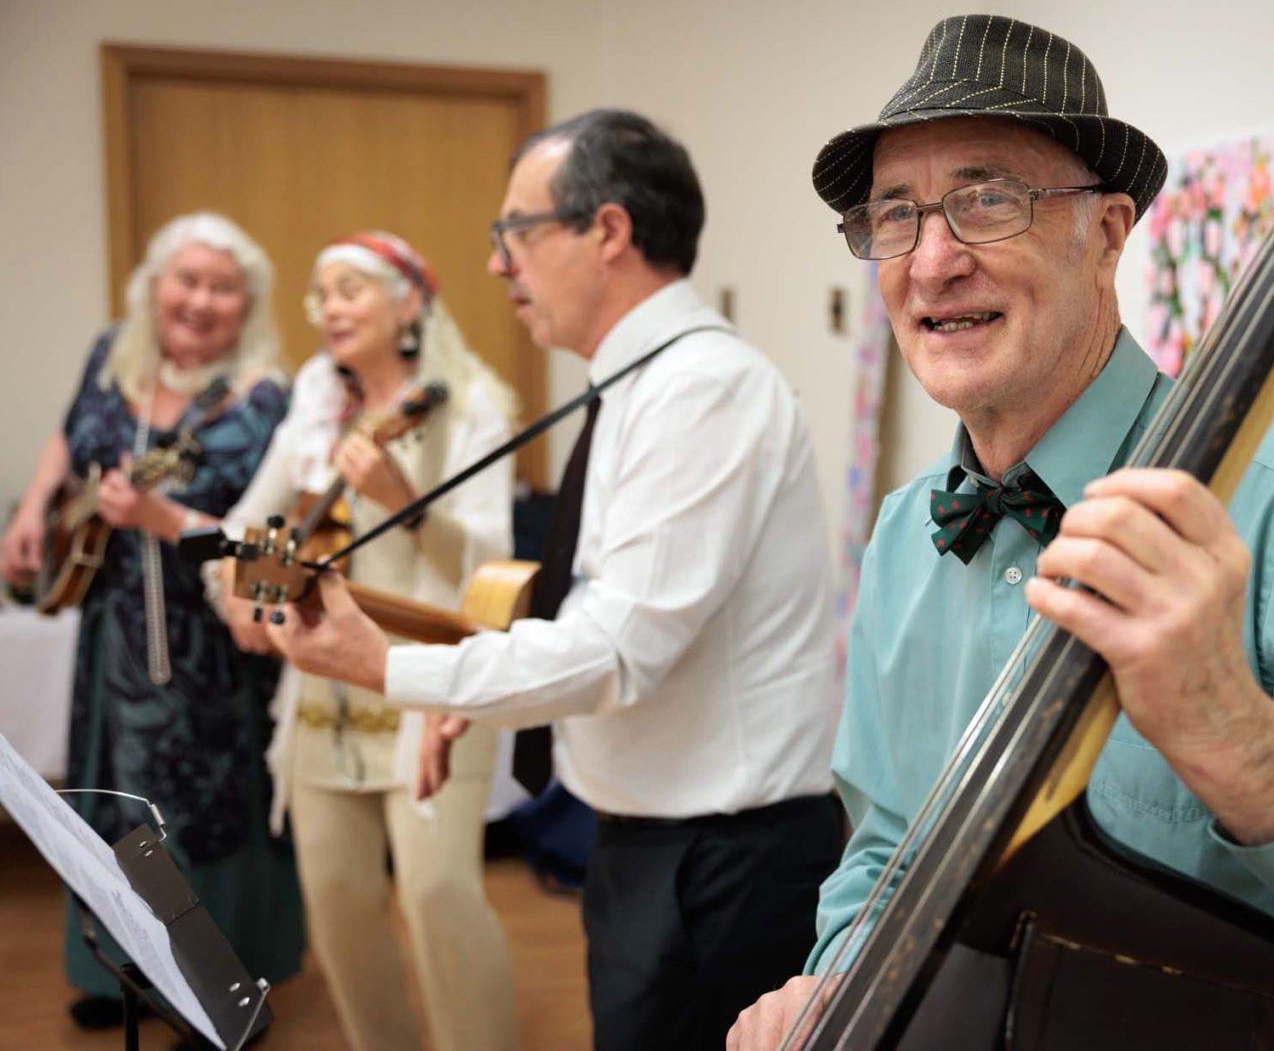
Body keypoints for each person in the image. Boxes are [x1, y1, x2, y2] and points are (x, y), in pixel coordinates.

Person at [729, 15, 1274, 1051]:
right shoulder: (906, 531)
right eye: (895, 214)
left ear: (1109, 230)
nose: (931, 261)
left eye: (987, 200)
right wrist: (838, 986)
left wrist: (1240, 741)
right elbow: (888, 849)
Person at [264, 109, 844, 1051]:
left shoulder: (700, 388)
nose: (497, 264)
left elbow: (614, 651)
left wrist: (389, 669)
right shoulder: (640, 382)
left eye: (516, 233)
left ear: (607, 230)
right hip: (656, 841)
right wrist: (481, 692)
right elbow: (600, 602)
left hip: (722, 858)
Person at [0, 211, 304, 1028]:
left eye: (222, 288)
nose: (199, 301)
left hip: (209, 642)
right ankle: (121, 977)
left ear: (248, 305)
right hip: (113, 630)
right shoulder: (114, 355)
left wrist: (159, 515)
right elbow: (69, 437)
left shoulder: (262, 397)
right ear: (154, 286)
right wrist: (36, 504)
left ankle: (220, 991)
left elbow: (259, 531)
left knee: (198, 808)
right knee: (114, 799)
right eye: (187, 280)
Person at [221, 231, 520, 1051]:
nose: (330, 308)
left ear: (409, 301)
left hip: (435, 684)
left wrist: (403, 499)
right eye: (321, 294)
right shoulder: (317, 409)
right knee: (339, 906)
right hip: (323, 697)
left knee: (437, 896)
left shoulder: (468, 405)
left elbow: (490, 569)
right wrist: (239, 588)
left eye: (350, 289)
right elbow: (247, 523)